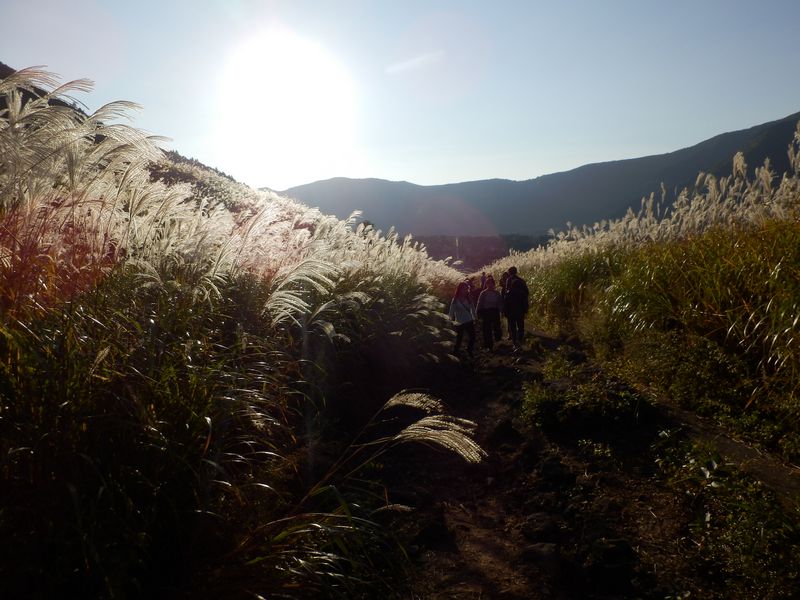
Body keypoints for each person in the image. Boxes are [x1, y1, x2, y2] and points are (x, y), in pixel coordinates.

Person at [448, 281, 476, 357]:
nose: (465, 290)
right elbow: (451, 311)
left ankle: (469, 349)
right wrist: (449, 321)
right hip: (459, 322)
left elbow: (473, 309)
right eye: (464, 289)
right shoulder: (455, 300)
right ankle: (455, 353)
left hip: (469, 320)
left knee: (473, 337)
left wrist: (474, 317)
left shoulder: (469, 298)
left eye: (466, 289)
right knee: (459, 339)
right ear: (459, 289)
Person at [503, 266, 529, 348]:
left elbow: (506, 295)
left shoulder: (508, 280)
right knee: (521, 325)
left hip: (511, 309)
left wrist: (505, 311)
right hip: (520, 308)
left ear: (510, 272)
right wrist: (525, 307)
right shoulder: (522, 280)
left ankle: (515, 342)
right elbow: (527, 293)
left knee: (512, 326)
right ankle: (520, 341)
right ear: (516, 271)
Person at [476, 275, 503, 350]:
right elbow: (480, 303)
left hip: (495, 311)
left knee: (497, 327)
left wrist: (501, 310)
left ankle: (498, 342)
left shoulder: (497, 293)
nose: (490, 285)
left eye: (491, 283)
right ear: (486, 284)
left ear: (494, 284)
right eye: (488, 283)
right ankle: (488, 344)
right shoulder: (483, 293)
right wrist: (478, 312)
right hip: (486, 312)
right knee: (487, 328)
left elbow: (500, 302)